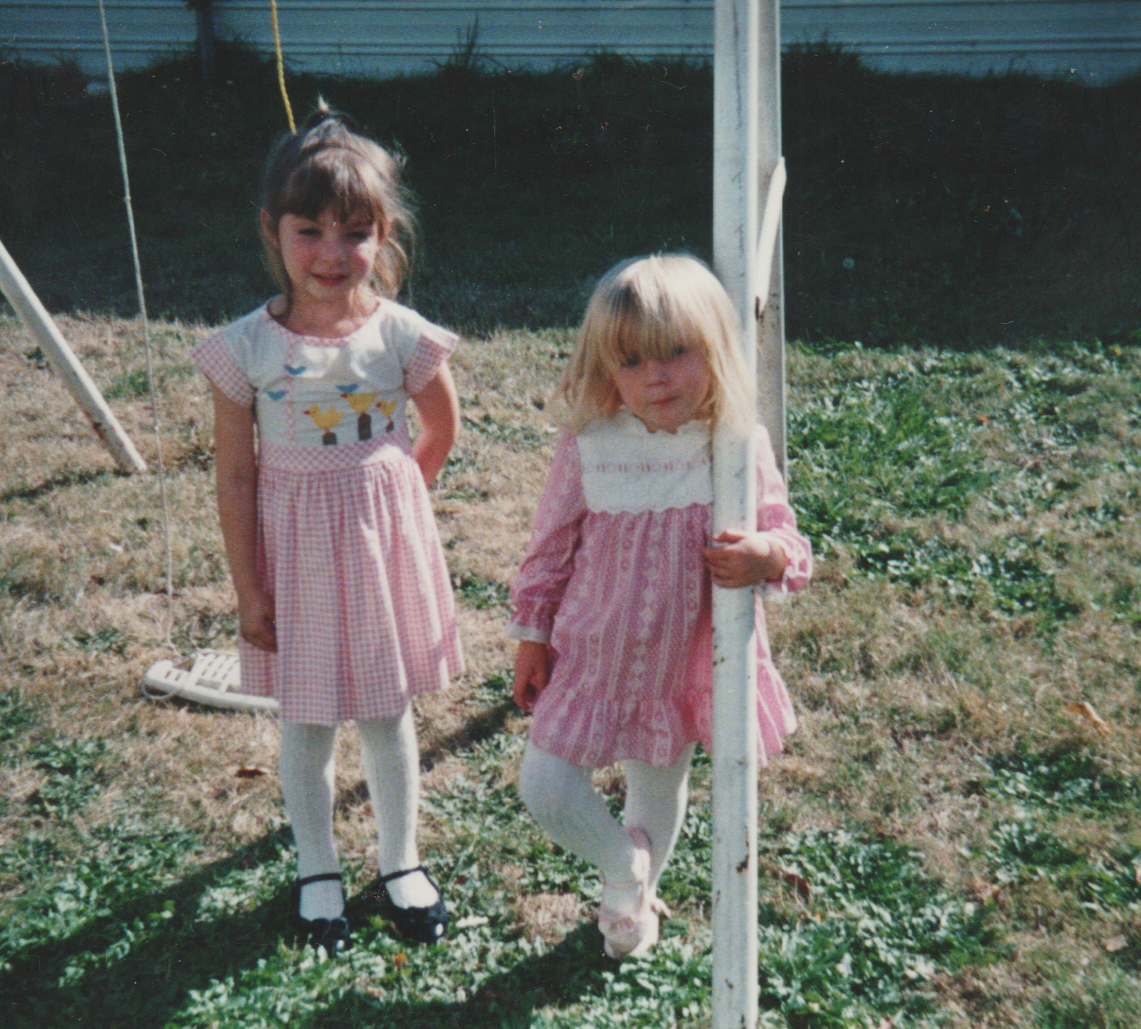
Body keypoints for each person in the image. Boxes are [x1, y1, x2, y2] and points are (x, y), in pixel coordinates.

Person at [193, 102, 463, 954]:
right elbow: (235, 474)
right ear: (273, 232)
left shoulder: (400, 334)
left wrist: (392, 505)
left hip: (379, 553)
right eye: (309, 231)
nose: (332, 254)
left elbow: (440, 428)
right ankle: (318, 868)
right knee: (307, 720)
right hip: (295, 558)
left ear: (384, 235)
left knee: (385, 714)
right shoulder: (246, 349)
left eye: (355, 232)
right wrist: (249, 587)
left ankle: (399, 860)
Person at [508, 254, 812, 959]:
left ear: (715, 349)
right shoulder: (590, 445)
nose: (658, 375)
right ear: (606, 368)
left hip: (682, 660)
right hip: (591, 654)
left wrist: (766, 553)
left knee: (657, 782)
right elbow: (549, 548)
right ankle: (624, 864)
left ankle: (633, 908)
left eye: (679, 352)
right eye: (634, 360)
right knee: (546, 784)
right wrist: (531, 633)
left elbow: (789, 538)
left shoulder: (733, 444)